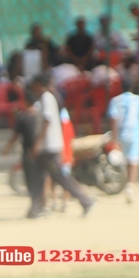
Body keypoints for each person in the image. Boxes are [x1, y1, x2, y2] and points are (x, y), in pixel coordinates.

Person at [30, 72, 94, 216]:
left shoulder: (46, 98)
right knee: (39, 176)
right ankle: (36, 208)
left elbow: (47, 121)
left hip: (49, 145)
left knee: (59, 176)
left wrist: (38, 142)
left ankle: (85, 200)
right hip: (46, 146)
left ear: (39, 85)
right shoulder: (46, 98)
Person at [4, 100, 44, 218]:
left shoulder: (22, 117)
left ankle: (35, 208)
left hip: (28, 153)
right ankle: (40, 206)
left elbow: (15, 136)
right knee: (41, 179)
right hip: (42, 151)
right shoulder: (40, 116)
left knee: (31, 181)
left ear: (25, 103)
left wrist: (7, 148)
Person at [107, 77, 139, 204]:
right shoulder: (138, 100)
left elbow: (114, 120)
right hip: (134, 133)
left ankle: (127, 183)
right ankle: (130, 185)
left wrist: (115, 139)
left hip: (121, 135)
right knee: (133, 160)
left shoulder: (115, 101)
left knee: (123, 161)